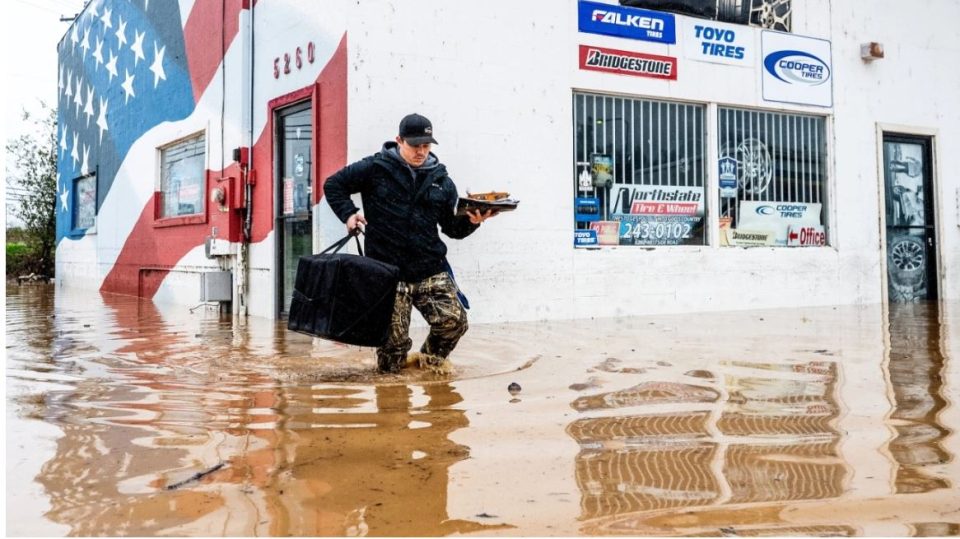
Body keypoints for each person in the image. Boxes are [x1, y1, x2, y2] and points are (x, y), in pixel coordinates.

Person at [323, 113, 497, 373]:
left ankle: (427, 366)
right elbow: (333, 184)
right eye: (415, 145)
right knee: (392, 349)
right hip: (387, 272)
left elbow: (451, 229)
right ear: (399, 140)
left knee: (454, 321)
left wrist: (473, 221)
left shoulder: (442, 181)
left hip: (430, 268)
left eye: (426, 146)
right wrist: (348, 213)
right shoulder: (374, 168)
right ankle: (393, 402)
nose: (421, 151)